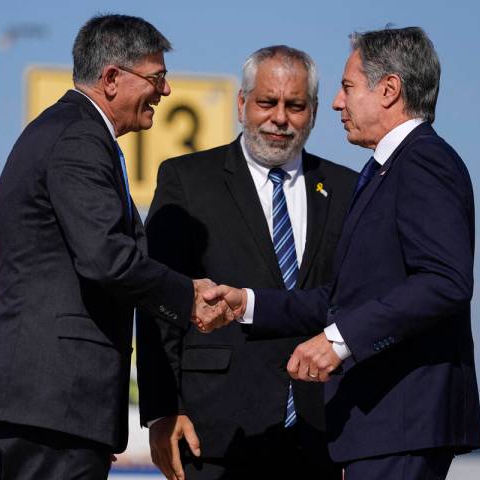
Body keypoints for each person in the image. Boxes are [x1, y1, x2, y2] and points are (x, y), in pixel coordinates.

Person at [0, 14, 228, 480]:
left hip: (58, 405)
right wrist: (188, 296)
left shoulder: (69, 132)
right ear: (111, 79)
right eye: (157, 77)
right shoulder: (79, 138)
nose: (166, 92)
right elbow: (106, 259)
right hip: (53, 398)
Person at [203, 27, 480, 479]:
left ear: (389, 89)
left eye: (348, 87)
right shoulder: (381, 171)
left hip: (404, 419)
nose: (336, 102)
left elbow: (445, 282)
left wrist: (339, 341)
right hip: (380, 425)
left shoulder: (423, 161)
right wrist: (247, 303)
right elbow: (343, 296)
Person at [136, 45, 356, 480]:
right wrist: (162, 411)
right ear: (242, 103)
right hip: (213, 431)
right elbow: (157, 299)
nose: (279, 119)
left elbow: (353, 299)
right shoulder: (186, 180)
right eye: (266, 102)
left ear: (312, 111)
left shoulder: (347, 188)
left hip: (321, 435)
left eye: (295, 106)